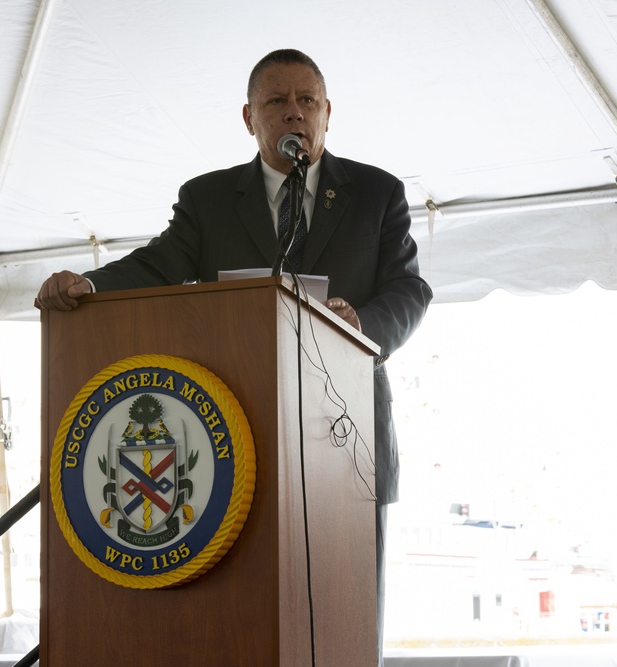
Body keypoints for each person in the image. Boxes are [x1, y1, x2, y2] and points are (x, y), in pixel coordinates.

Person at [35, 48, 433, 663]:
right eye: (276, 102)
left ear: (328, 113)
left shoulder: (377, 192)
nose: (293, 114)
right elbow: (159, 265)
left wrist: (362, 327)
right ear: (249, 118)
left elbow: (410, 290)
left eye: (307, 101)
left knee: (345, 624)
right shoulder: (210, 198)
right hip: (236, 442)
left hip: (345, 441)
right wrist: (92, 287)